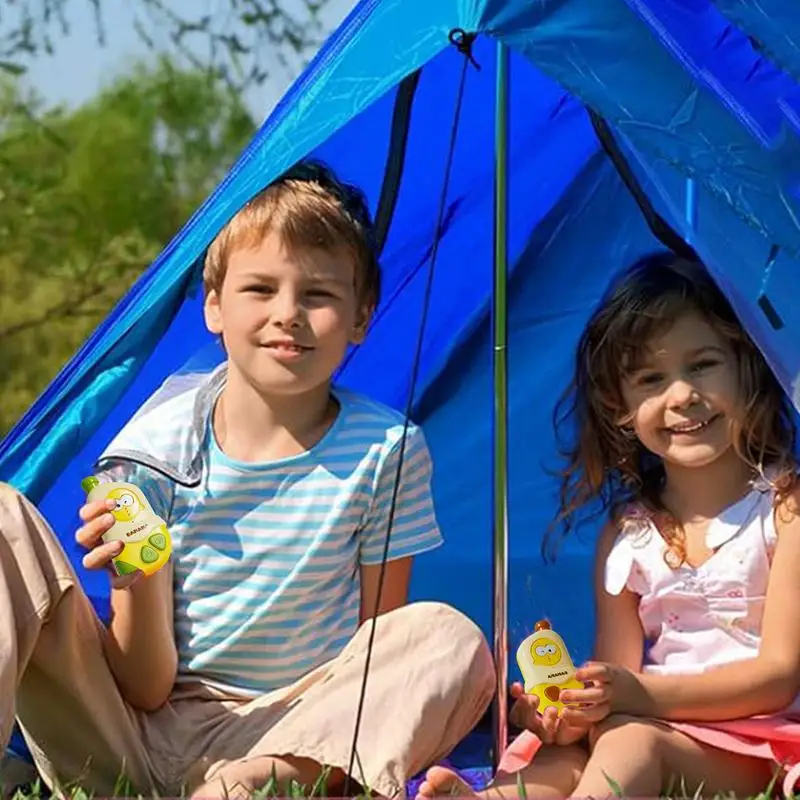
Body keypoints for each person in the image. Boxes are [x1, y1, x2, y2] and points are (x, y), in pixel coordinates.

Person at [0, 161, 495, 800]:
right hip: (135, 737)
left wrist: (321, 740)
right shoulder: (155, 450)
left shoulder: (387, 450)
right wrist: (141, 577)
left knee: (449, 639)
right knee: (4, 515)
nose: (287, 314)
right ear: (214, 306)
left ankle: (261, 784)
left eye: (317, 295)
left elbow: (376, 651)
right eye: (260, 289)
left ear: (361, 317)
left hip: (294, 734)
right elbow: (145, 685)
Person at [416, 252, 800, 799]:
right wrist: (575, 708)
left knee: (627, 742)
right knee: (565, 752)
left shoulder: (785, 510)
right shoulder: (628, 535)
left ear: (749, 367)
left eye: (703, 364)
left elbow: (780, 677)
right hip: (649, 723)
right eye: (651, 378)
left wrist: (636, 697)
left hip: (758, 743)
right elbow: (617, 674)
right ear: (620, 408)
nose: (682, 395)